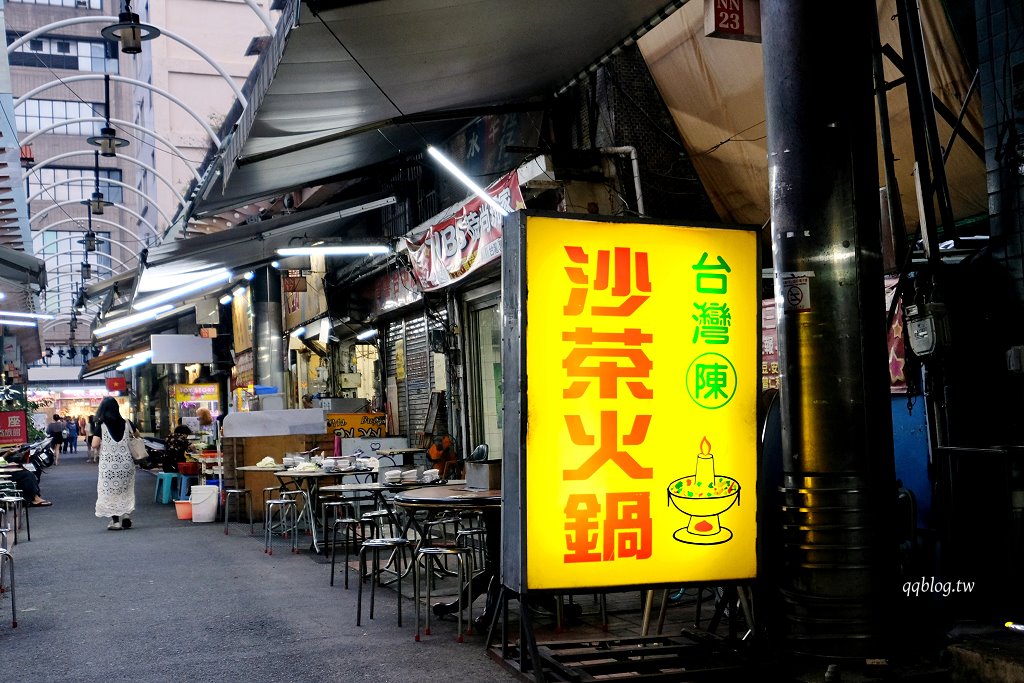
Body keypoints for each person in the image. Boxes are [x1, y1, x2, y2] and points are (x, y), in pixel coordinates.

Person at [91, 397, 137, 531]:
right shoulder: (127, 423)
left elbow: (94, 444)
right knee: (125, 490)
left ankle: (116, 522)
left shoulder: (102, 425)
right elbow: (137, 435)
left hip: (109, 466)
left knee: (111, 492)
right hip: (126, 464)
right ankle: (126, 514)